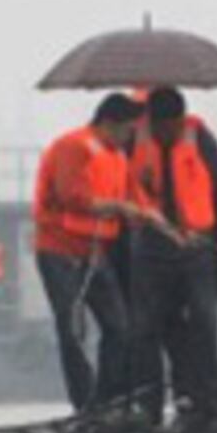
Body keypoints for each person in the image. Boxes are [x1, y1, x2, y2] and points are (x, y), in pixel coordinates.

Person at [31, 93, 155, 413]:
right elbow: (72, 195)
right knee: (72, 330)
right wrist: (119, 207)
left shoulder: (117, 155)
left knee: (119, 326)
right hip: (59, 251)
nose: (131, 137)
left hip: (95, 251)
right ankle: (83, 401)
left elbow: (135, 197)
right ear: (109, 123)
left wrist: (158, 220)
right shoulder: (74, 146)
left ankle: (105, 397)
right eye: (128, 129)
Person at [124, 87, 217, 425]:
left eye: (173, 126)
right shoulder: (135, 139)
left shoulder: (197, 134)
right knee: (147, 327)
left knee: (204, 319)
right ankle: (150, 401)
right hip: (151, 249)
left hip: (195, 247)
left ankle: (203, 396)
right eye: (162, 127)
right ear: (152, 121)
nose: (168, 133)